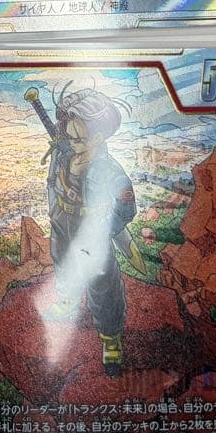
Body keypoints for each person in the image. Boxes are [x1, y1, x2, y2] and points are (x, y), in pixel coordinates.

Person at [41, 88, 137, 373]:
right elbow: (52, 185)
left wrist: (103, 229)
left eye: (78, 138)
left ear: (98, 136)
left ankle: (110, 337)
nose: (71, 141)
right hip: (63, 224)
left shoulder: (111, 171)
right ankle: (68, 300)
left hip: (92, 232)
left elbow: (125, 209)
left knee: (102, 283)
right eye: (69, 135)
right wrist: (56, 216)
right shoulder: (63, 154)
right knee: (62, 262)